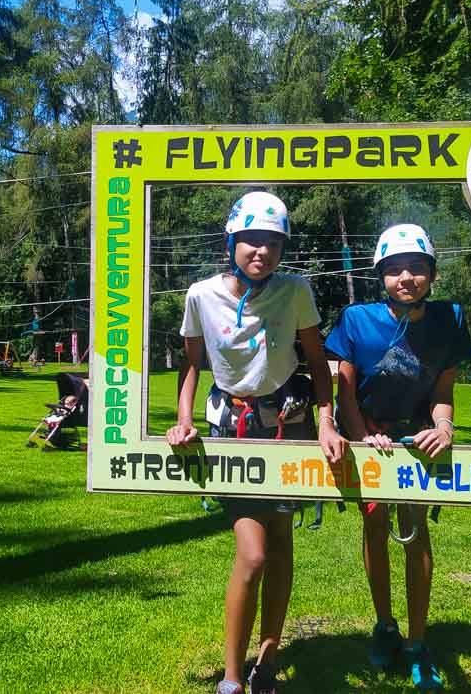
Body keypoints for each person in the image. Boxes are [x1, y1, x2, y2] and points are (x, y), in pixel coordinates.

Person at [167, 191, 348, 694]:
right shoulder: (201, 295)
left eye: (272, 242)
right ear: (231, 241)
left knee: (282, 545)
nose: (260, 251)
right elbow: (191, 364)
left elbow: (316, 361)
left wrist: (327, 422)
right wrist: (184, 421)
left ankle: (267, 658)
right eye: (250, 240)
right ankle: (231, 677)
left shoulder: (295, 291)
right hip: (234, 428)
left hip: (289, 423)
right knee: (253, 554)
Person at [324, 224, 471, 690]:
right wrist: (361, 437)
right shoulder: (356, 319)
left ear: (431, 272)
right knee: (374, 527)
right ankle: (385, 624)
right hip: (368, 440)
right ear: (381, 275)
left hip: (416, 444)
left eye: (416, 268)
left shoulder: (450, 318)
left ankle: (418, 640)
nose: (406, 277)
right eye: (394, 270)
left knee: (415, 533)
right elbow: (343, 392)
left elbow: (443, 392)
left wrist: (444, 427)